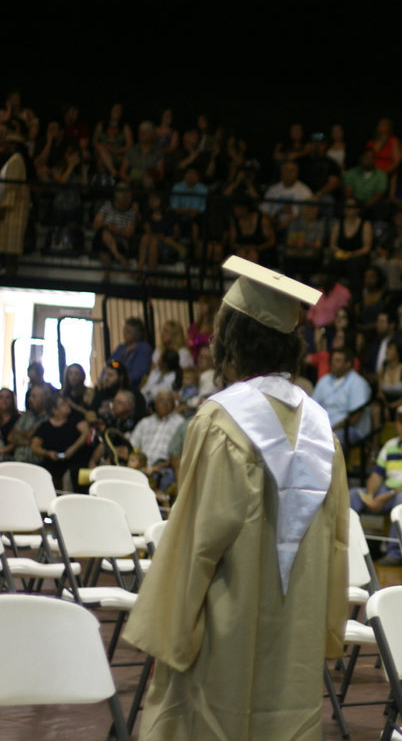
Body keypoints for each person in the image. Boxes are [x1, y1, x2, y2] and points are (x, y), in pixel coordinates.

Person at [123, 256, 349, 739]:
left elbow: (196, 543)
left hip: (227, 634)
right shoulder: (321, 429)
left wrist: (171, 630)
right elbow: (337, 546)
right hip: (296, 637)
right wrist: (325, 626)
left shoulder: (221, 420)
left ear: (232, 341)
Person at [352, 403, 402, 563]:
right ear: (396, 425)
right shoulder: (390, 445)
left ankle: (395, 553)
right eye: (401, 422)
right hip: (387, 492)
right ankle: (352, 548)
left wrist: (387, 495)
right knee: (354, 495)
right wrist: (371, 495)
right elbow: (376, 476)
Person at [29, 392, 91, 491]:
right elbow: (34, 447)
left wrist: (72, 449)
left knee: (70, 474)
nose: (67, 406)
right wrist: (48, 453)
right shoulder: (45, 426)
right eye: (63, 404)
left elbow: (86, 433)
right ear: (55, 410)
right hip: (52, 462)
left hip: (73, 462)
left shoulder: (75, 419)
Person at [312, 348, 373, 446]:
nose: (333, 363)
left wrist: (331, 430)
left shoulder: (358, 383)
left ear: (348, 364)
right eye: (332, 360)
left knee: (332, 441)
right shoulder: (324, 380)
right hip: (323, 428)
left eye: (338, 360)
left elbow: (355, 417)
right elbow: (313, 406)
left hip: (348, 429)